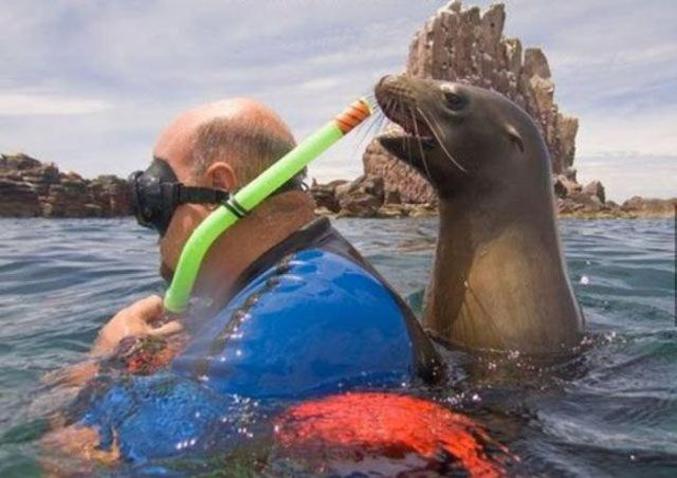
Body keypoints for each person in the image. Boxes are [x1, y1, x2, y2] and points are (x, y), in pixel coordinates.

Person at [42, 98, 444, 469]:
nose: (148, 223)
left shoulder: (300, 307)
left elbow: (88, 463)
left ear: (220, 187)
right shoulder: (307, 276)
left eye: (152, 196)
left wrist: (106, 362)